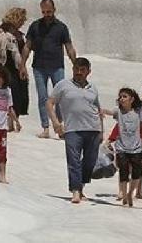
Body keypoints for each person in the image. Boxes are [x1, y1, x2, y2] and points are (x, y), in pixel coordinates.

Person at [45, 57, 102, 204]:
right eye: (76, 69)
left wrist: (101, 129)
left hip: (93, 128)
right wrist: (56, 123)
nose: (79, 72)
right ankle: (75, 190)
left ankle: (81, 186)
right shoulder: (63, 85)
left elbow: (98, 109)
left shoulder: (93, 88)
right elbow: (50, 102)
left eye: (82, 70)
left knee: (90, 161)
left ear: (88, 71)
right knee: (74, 160)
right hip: (72, 129)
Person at [19, 0, 77, 139]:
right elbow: (27, 46)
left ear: (54, 10)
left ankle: (59, 124)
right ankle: (45, 127)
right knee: (43, 97)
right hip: (39, 67)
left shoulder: (61, 27)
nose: (47, 14)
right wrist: (22, 65)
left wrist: (76, 64)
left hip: (57, 66)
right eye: (44, 12)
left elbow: (69, 46)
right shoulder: (35, 26)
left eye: (49, 11)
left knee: (60, 97)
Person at [103, 88, 142, 208]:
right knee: (123, 172)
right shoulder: (118, 112)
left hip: (136, 149)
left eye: (125, 96)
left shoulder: (138, 112)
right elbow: (109, 112)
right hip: (122, 148)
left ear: (132, 99)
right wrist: (100, 110)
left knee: (137, 173)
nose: (122, 99)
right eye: (120, 97)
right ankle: (123, 193)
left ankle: (130, 193)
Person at [0, 7, 29, 123]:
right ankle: (10, 121)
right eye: (22, 20)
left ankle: (14, 120)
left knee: (20, 95)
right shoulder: (4, 32)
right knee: (12, 94)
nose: (23, 22)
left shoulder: (19, 34)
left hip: (18, 68)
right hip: (8, 67)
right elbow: (14, 53)